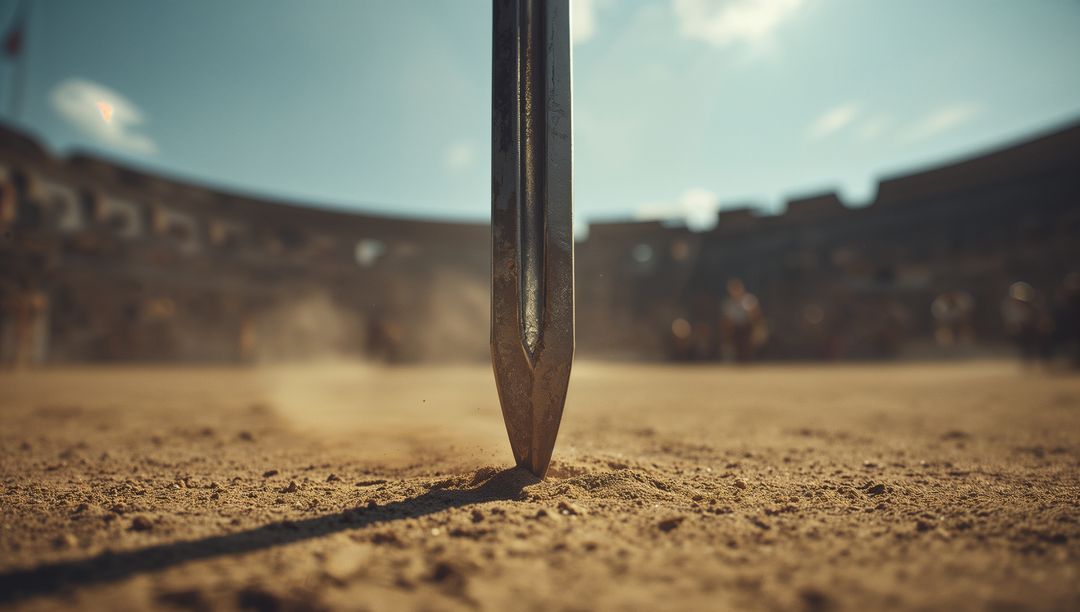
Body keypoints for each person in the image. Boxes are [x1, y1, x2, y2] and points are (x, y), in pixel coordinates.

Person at [719, 278, 767, 363]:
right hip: (735, 330)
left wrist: (759, 329)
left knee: (747, 350)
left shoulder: (749, 301)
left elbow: (757, 317)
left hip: (747, 328)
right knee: (738, 351)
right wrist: (726, 335)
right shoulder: (728, 304)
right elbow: (726, 321)